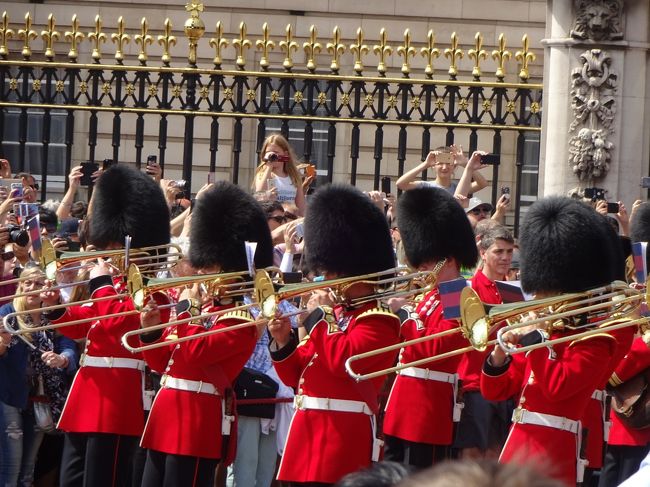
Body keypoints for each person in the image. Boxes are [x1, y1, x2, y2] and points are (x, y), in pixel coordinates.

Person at [480, 196, 635, 486]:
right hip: (517, 445)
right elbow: (497, 390)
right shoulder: (547, 333)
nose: (538, 298)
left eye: (545, 291)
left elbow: (557, 387)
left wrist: (534, 336)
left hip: (551, 453)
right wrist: (499, 355)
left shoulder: (595, 341)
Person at [42, 164, 171, 487]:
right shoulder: (110, 283)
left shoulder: (153, 293)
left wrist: (100, 282)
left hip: (118, 395)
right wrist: (54, 305)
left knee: (104, 479)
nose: (109, 253)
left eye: (115, 246)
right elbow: (85, 325)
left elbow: (115, 321)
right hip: (88, 392)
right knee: (71, 479)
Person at [138, 181, 271, 487]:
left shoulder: (239, 320)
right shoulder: (201, 311)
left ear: (231, 270)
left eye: (209, 266)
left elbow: (197, 352)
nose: (200, 272)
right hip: (166, 416)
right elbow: (163, 364)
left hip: (196, 423)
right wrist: (150, 332)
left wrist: (187, 309)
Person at [267, 183, 401, 485]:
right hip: (307, 435)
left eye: (330, 271)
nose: (324, 278)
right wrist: (283, 340)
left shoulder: (380, 321)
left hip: (341, 436)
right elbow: (298, 375)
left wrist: (319, 316)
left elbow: (343, 362)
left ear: (352, 269)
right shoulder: (336, 315)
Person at [383, 186, 479, 470]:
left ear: (447, 259)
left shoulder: (457, 295)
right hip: (402, 403)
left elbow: (435, 349)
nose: (421, 265)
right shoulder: (426, 293)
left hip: (427, 408)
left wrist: (402, 315)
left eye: (428, 259)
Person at [0, 265, 78, 487]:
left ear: (47, 287)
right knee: (9, 468)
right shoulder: (7, 313)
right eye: (28, 283)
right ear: (20, 285)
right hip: (9, 397)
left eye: (39, 283)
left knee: (28, 470)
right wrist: (3, 341)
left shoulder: (52, 315)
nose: (32, 288)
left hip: (39, 400)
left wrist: (63, 358)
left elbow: (68, 345)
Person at [454, 224, 515, 460]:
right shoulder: (467, 288)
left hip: (505, 385)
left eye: (509, 252)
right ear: (483, 253)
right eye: (499, 252)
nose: (506, 257)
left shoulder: (513, 289)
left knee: (495, 456)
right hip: (474, 385)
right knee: (473, 456)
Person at [396, 146, 488, 195]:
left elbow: (482, 184)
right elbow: (400, 184)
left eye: (448, 163)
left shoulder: (459, 187)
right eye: (440, 163)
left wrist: (466, 164)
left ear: (454, 166)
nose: (444, 167)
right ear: (433, 166)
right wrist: (425, 164)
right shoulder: (425, 186)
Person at [252, 134, 306, 216]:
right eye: (268, 153)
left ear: (285, 154)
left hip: (289, 221)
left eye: (276, 153)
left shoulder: (293, 176)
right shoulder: (263, 174)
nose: (272, 156)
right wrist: (269, 166)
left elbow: (301, 207)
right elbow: (260, 194)